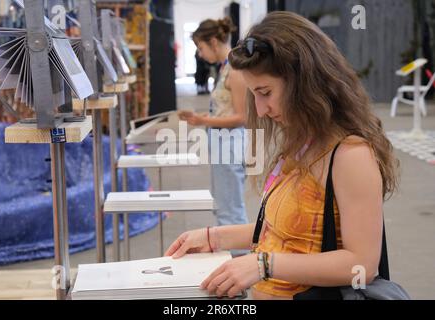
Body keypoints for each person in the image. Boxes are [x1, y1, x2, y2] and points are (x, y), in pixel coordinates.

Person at [167, 12, 399, 300]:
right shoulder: (302, 143)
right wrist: (215, 237)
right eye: (255, 95)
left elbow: (362, 265)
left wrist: (264, 265)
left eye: (266, 92)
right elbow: (286, 232)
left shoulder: (351, 155)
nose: (261, 110)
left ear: (305, 81)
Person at [179, 18, 249, 233]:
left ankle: (238, 256)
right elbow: (226, 109)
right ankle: (233, 252)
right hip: (222, 142)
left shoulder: (235, 71)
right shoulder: (225, 68)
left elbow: (242, 117)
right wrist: (207, 117)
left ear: (214, 43)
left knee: (230, 208)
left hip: (230, 143)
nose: (200, 54)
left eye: (201, 47)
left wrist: (204, 120)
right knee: (223, 204)